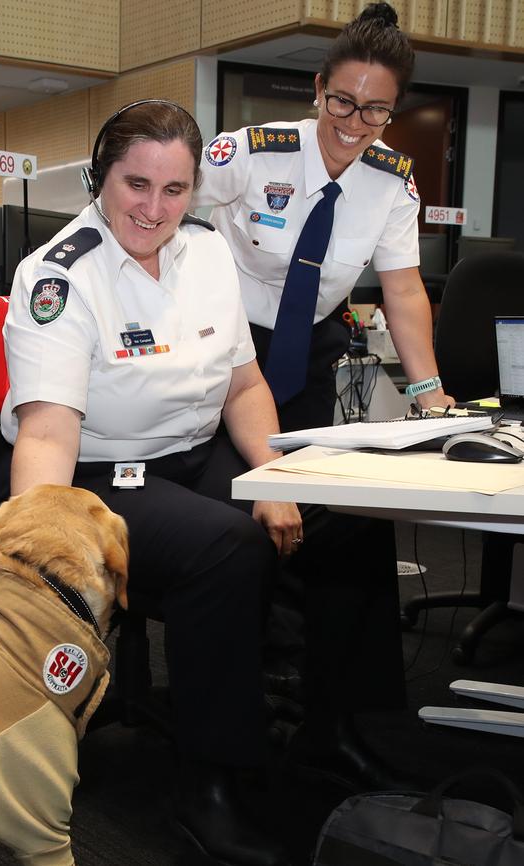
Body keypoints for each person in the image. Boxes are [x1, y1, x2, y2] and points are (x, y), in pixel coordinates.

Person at [0, 100, 300, 866]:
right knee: (227, 546)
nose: (154, 209)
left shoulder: (208, 255)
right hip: (105, 471)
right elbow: (48, 430)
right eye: (136, 185)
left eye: (174, 190)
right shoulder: (58, 277)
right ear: (102, 177)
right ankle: (208, 786)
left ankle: (324, 724)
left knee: (338, 508)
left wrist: (275, 478)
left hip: (195, 454)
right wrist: (41, 546)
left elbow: (246, 389)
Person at [194, 2, 454, 786]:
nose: (355, 122)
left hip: (308, 359)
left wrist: (433, 393)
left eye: (376, 108)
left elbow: (404, 292)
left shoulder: (390, 183)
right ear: (317, 90)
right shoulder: (252, 153)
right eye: (343, 101)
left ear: (392, 109)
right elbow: (163, 215)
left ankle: (334, 715)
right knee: (240, 517)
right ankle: (243, 690)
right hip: (226, 355)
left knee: (353, 524)